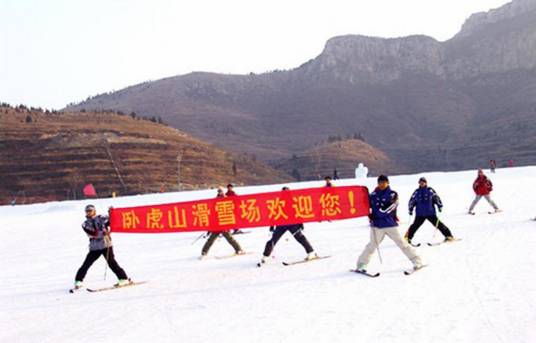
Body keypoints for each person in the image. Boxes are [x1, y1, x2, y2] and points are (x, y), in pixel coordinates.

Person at [356, 175, 422, 272]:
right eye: (380, 182)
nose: (381, 184)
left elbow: (388, 209)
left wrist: (376, 213)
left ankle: (416, 260)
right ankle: (362, 264)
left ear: (388, 183)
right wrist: (368, 213)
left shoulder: (393, 194)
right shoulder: (373, 195)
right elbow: (365, 206)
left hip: (390, 224)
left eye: (383, 182)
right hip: (377, 226)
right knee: (371, 246)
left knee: (402, 243)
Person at [73, 205, 130, 290]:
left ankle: (123, 278)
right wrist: (104, 232)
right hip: (94, 248)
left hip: (106, 245)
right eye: (87, 211)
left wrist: (111, 212)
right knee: (86, 264)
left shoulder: (102, 218)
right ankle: (78, 281)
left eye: (90, 211)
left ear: (94, 211)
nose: (88, 213)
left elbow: (112, 221)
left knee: (111, 262)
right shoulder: (85, 224)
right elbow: (94, 233)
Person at [258, 187, 317, 266]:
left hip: (292, 224)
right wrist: (272, 225)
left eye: (286, 192)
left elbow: (298, 212)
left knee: (300, 238)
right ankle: (265, 256)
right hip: (281, 225)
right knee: (273, 240)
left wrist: (300, 223)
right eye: (283, 192)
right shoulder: (279, 202)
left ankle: (311, 252)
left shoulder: (293, 201)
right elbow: (274, 213)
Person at [406, 177, 455, 244]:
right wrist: (410, 208)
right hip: (420, 213)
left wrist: (439, 206)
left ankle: (449, 236)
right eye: (420, 182)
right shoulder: (416, 192)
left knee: (439, 224)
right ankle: (407, 238)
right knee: (414, 226)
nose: (422, 183)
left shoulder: (430, 190)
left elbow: (436, 198)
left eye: (423, 182)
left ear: (426, 183)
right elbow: (412, 200)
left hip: (430, 213)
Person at [200, 187, 245, 258]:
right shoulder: (215, 200)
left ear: (223, 191)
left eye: (220, 191)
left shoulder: (226, 199)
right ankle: (204, 252)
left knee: (230, 238)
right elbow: (212, 212)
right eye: (219, 191)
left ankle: (238, 249)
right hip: (217, 223)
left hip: (224, 222)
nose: (220, 192)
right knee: (211, 239)